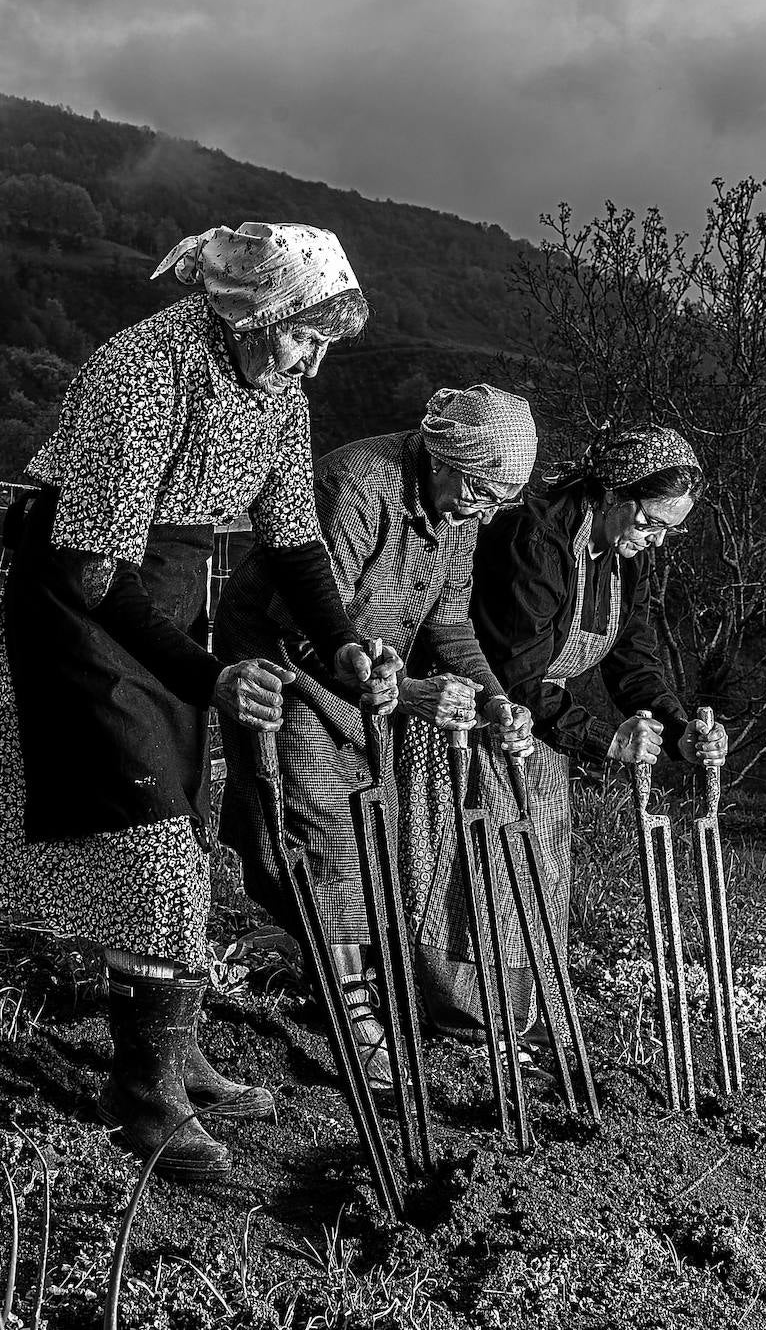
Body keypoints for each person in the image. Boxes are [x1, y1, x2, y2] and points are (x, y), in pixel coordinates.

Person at [0, 221, 400, 1182]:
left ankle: (176, 1048)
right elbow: (94, 569)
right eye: (306, 337)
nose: (314, 364)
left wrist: (340, 645)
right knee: (154, 835)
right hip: (79, 604)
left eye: (328, 344)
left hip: (164, 592)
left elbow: (292, 539)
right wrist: (206, 677)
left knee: (187, 817)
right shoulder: (141, 370)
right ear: (257, 309)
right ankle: (143, 1100)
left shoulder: (278, 393)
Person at [214, 384, 537, 1087]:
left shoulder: (461, 506)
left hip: (371, 674)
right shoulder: (355, 485)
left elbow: (449, 618)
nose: (481, 512)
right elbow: (306, 618)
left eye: (496, 502)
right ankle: (351, 1016)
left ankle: (338, 979)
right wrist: (411, 694)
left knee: (365, 830)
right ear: (442, 456)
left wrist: (495, 700)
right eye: (479, 493)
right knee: (314, 823)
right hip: (285, 660)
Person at [398, 425, 728, 1047]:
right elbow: (518, 669)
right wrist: (604, 741)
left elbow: (634, 652)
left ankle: (516, 1013)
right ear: (614, 494)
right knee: (474, 861)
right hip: (481, 700)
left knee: (537, 865)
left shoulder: (630, 554)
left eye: (667, 531)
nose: (655, 540)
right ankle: (462, 1012)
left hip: (544, 716)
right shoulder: (537, 537)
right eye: (652, 522)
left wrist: (679, 729)